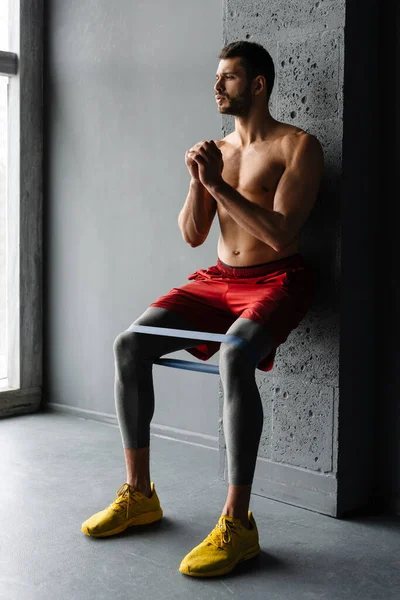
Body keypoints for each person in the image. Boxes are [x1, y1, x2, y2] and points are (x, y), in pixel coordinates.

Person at [81, 40, 324, 578]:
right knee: (130, 344)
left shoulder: (298, 147)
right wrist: (199, 182)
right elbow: (193, 235)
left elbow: (282, 233)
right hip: (217, 280)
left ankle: (238, 523)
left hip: (277, 279)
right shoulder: (217, 149)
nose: (217, 86)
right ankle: (139, 493)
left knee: (235, 355)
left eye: (230, 78)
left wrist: (216, 184)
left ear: (258, 85)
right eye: (217, 77)